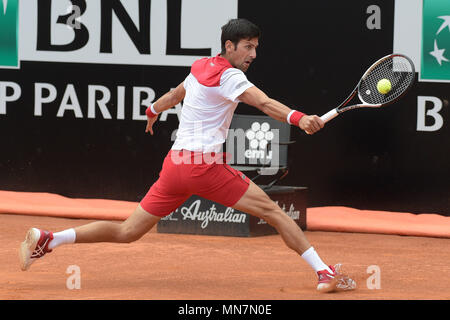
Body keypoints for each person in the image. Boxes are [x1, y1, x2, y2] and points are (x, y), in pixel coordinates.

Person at [19, 18, 355, 293]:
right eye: (248, 47)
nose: (253, 54)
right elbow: (264, 103)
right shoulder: (231, 75)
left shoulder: (198, 67)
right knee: (274, 212)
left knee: (128, 231)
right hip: (204, 167)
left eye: (256, 47)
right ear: (230, 46)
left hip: (175, 165)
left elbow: (174, 95)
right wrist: (299, 118)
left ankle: (50, 240)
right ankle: (324, 273)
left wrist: (152, 110)